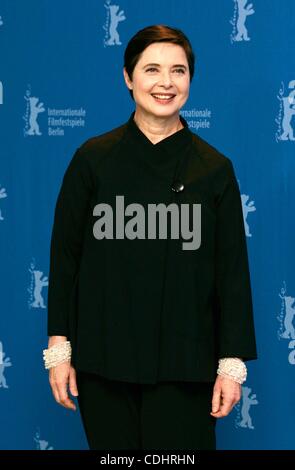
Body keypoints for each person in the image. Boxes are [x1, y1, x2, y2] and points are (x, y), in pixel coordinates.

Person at [43, 24, 257, 450]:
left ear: (190, 81)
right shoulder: (93, 159)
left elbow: (231, 270)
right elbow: (66, 258)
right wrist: (60, 347)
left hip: (186, 364)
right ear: (128, 77)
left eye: (178, 71)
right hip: (104, 361)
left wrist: (231, 363)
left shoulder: (214, 169)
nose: (165, 83)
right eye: (152, 69)